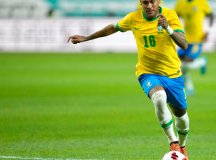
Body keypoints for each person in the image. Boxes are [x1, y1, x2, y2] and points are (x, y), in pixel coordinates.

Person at [68, 0, 190, 159]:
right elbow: (113, 28)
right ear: (141, 3)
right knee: (159, 97)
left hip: (173, 75)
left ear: (158, 1)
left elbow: (184, 44)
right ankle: (173, 142)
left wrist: (168, 27)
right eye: (145, 2)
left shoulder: (170, 15)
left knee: (181, 116)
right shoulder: (134, 18)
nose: (149, 6)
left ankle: (182, 145)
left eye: (152, 2)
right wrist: (86, 38)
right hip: (147, 73)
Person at [175, 0, 215, 96]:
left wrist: (208, 31)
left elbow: (211, 16)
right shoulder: (180, 3)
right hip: (185, 39)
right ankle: (189, 87)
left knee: (188, 61)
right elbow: (175, 17)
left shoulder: (201, 2)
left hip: (198, 39)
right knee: (178, 63)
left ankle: (202, 62)